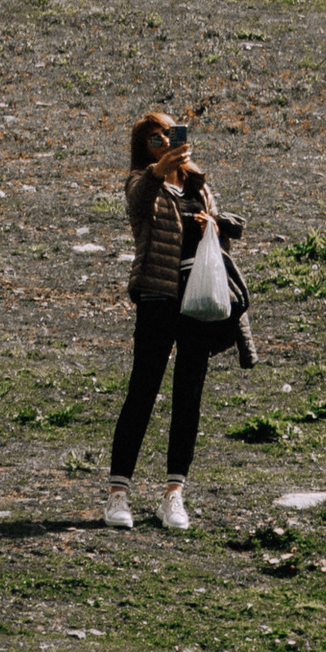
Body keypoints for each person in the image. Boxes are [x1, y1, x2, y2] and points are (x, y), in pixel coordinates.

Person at [104, 108, 224, 534]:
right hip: (157, 298)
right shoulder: (141, 183)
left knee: (188, 394)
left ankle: (174, 493)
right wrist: (159, 170)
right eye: (155, 138)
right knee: (143, 390)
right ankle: (118, 493)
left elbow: (220, 233)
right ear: (144, 149)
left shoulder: (198, 186)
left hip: (197, 301)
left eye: (169, 135)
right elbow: (138, 203)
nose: (164, 142)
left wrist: (211, 223)